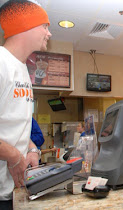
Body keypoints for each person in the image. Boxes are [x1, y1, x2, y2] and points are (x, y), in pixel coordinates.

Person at [0, 1, 51, 209]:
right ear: (26, 25)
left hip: (12, 193)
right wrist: (12, 155)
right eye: (45, 26)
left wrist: (32, 149)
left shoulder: (22, 70)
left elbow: (16, 125)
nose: (49, 34)